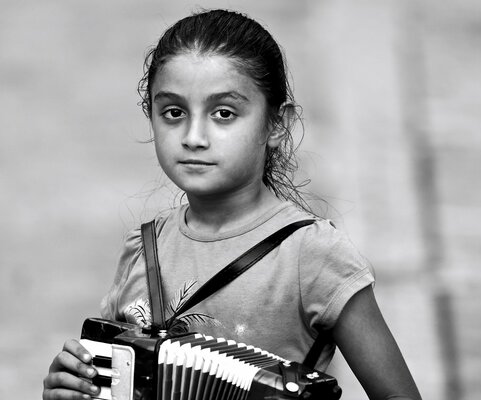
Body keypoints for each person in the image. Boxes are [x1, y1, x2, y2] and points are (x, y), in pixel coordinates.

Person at [42, 9, 422, 400]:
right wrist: (69, 386)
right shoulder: (145, 248)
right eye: (173, 113)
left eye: (223, 114)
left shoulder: (312, 255)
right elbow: (106, 381)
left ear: (277, 125)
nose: (193, 136)